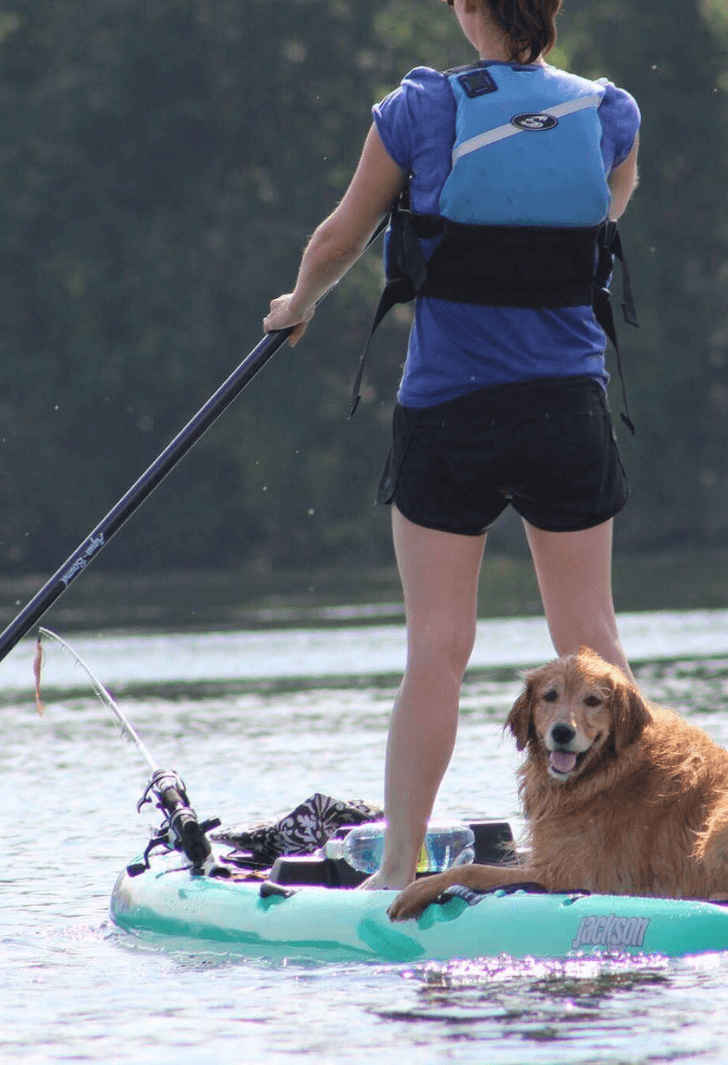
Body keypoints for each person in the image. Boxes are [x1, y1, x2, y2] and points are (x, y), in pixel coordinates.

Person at [262, 0, 641, 890]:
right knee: (592, 637)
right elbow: (599, 225)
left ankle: (397, 865)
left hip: (450, 415)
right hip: (566, 413)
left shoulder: (419, 110)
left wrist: (297, 305)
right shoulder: (609, 113)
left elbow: (339, 237)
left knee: (437, 645)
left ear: (468, 9)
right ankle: (638, 846)